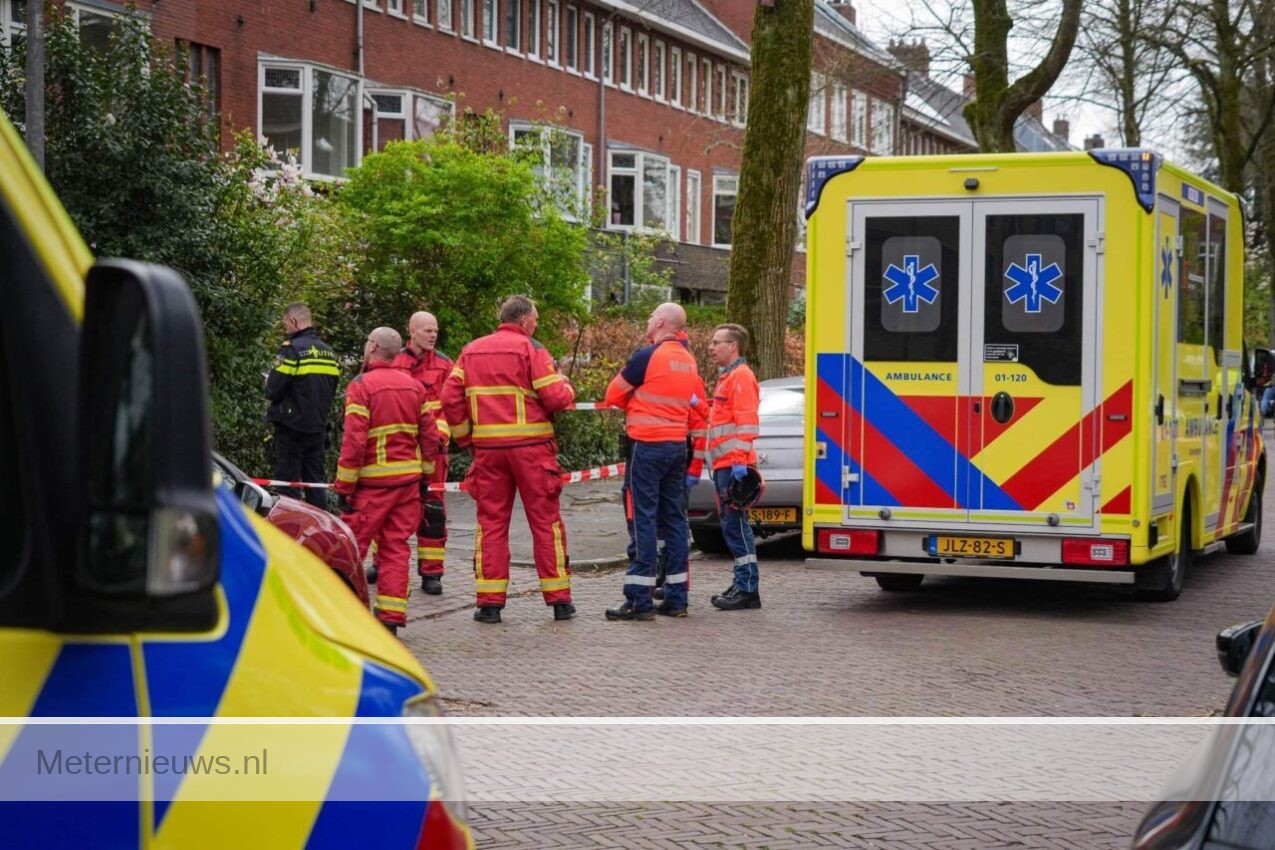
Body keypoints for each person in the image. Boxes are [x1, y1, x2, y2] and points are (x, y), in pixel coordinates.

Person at [441, 296, 577, 623]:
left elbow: (449, 396)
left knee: (491, 524)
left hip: (489, 451)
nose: (537, 324)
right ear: (524, 321)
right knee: (546, 523)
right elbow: (555, 398)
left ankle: (489, 605)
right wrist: (566, 385)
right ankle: (560, 602)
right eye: (536, 319)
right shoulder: (531, 348)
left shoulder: (470, 350)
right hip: (532, 450)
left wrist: (466, 438)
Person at [332, 327, 441, 635]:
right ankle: (391, 619)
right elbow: (430, 437)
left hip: (371, 487)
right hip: (406, 485)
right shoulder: (414, 386)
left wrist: (344, 486)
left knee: (352, 548)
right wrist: (425, 476)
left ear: (374, 347)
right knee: (396, 548)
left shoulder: (361, 386)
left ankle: (345, 617)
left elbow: (354, 442)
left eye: (367, 342)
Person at [603, 304, 708, 620]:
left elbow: (612, 395)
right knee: (674, 520)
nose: (648, 321)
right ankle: (677, 599)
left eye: (650, 316)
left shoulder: (648, 356)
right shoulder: (688, 361)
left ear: (661, 321)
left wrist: (635, 400)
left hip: (646, 447)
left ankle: (639, 599)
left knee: (643, 519)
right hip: (677, 446)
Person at [368, 311, 454, 595]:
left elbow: (451, 406)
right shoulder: (395, 361)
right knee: (388, 507)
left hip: (433, 451)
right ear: (411, 331)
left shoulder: (444, 365)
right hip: (400, 449)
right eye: (427, 330)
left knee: (432, 509)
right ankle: (381, 563)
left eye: (435, 331)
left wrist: (438, 438)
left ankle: (432, 573)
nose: (433, 335)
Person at [705, 323, 762, 611]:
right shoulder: (729, 378)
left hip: (733, 465)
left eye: (717, 342)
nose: (711, 347)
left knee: (736, 526)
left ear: (733, 346)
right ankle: (743, 583)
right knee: (732, 526)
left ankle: (747, 587)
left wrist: (739, 460)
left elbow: (747, 422)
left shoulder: (740, 376)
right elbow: (723, 421)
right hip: (726, 464)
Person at [264, 302, 339, 510]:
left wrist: (268, 382)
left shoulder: (291, 350)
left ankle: (290, 536)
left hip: (291, 430)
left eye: (285, 323)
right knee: (315, 486)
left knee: (288, 487)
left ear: (294, 321)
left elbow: (273, 390)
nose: (285, 327)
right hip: (318, 429)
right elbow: (330, 391)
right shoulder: (329, 353)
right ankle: (321, 533)